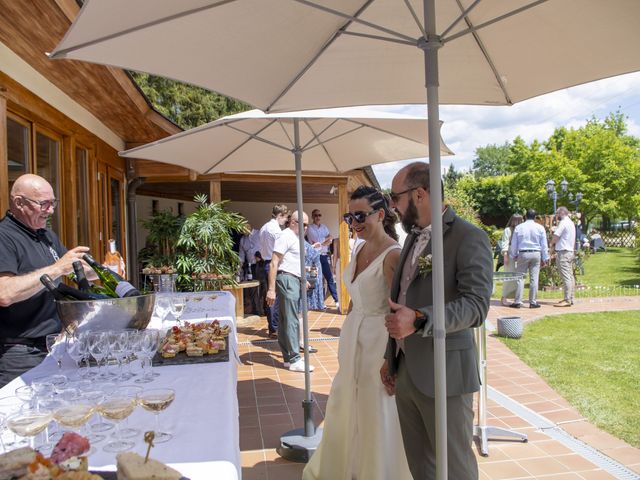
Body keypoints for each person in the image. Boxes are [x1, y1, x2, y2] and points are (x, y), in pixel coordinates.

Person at [381, 162, 493, 480]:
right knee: (421, 468)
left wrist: (420, 319)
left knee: (455, 468)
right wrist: (391, 357)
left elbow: (475, 306)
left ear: (419, 194)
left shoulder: (469, 237)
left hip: (445, 375)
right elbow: (403, 297)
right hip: (405, 373)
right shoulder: (410, 238)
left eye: (395, 197)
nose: (392, 206)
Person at [303, 186, 411, 480]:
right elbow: (354, 301)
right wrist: (345, 333)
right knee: (348, 402)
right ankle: (350, 467)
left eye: (360, 215)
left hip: (379, 341)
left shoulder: (393, 255)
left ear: (380, 213)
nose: (354, 222)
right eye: (350, 216)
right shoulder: (360, 247)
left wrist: (392, 359)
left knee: (375, 407)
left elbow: (398, 312)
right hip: (353, 338)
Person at [0, 174, 90, 387]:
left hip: (54, 345)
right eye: (43, 204)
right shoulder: (4, 236)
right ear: (19, 202)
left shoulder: (45, 235)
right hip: (20, 353)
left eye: (53, 203)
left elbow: (72, 267)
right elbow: (4, 293)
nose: (50, 210)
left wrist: (102, 271)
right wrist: (57, 268)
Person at [266, 211, 314, 372]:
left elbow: (292, 261)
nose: (306, 227)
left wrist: (302, 278)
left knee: (286, 320)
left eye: (308, 224)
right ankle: (294, 359)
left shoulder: (295, 238)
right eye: (304, 224)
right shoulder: (285, 236)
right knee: (291, 320)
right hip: (287, 280)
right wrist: (271, 290)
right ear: (293, 222)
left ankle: (288, 358)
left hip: (293, 279)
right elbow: (274, 263)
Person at [509, 208, 549, 309]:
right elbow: (544, 244)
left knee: (520, 277)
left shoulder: (519, 227)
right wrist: (545, 257)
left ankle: (518, 301)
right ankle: (533, 302)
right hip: (536, 253)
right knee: (534, 278)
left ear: (525, 216)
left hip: (523, 253)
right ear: (535, 217)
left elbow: (514, 243)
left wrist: (513, 255)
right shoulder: (540, 228)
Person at [259, 204, 289, 337]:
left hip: (264, 262)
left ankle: (272, 326)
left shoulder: (263, 228)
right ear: (280, 215)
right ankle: (274, 328)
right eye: (285, 217)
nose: (285, 221)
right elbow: (282, 248)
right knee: (273, 297)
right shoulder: (276, 230)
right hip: (273, 264)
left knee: (269, 296)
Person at [306, 209, 340, 310]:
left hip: (324, 256)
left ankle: (337, 300)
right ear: (312, 217)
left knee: (329, 278)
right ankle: (314, 302)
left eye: (319, 215)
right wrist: (324, 241)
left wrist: (323, 242)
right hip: (313, 257)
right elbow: (318, 241)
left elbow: (330, 238)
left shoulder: (324, 227)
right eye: (316, 215)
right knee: (314, 279)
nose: (318, 217)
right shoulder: (309, 228)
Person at [551, 206, 576, 307]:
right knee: (570, 276)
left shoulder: (563, 222)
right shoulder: (570, 223)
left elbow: (556, 236)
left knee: (566, 276)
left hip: (564, 252)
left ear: (561, 213)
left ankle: (567, 299)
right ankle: (570, 298)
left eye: (557, 214)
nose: (556, 216)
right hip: (569, 251)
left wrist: (551, 244)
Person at [500, 214, 524, 306]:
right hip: (510, 254)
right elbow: (505, 243)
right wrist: (505, 255)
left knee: (517, 277)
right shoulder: (508, 230)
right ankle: (504, 297)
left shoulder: (520, 230)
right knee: (509, 276)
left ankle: (515, 297)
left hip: (519, 253)